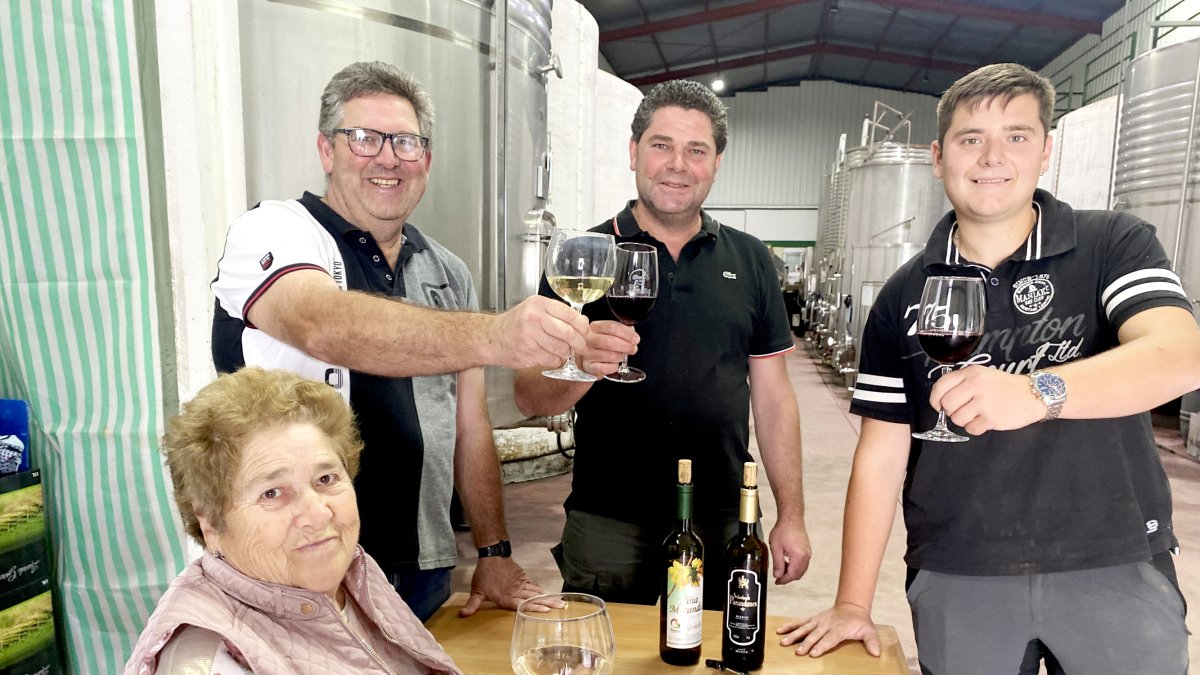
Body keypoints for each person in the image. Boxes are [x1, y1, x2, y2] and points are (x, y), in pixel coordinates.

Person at [779, 63, 1200, 674]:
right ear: (937, 155)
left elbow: (1180, 356)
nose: (992, 157)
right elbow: (882, 450)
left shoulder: (1112, 244)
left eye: (1017, 136)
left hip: (1112, 561)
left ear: (1046, 151)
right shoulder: (904, 292)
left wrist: (1038, 392)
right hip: (960, 571)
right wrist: (851, 601)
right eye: (971, 139)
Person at [210, 61, 574, 621]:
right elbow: (323, 326)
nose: (387, 157)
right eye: (363, 138)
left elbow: (470, 426)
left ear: (425, 161)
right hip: (296, 567)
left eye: (406, 142)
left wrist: (494, 550)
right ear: (327, 151)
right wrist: (496, 333)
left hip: (420, 569)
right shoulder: (274, 231)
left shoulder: (447, 272)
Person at [513, 79, 812, 611]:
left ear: (716, 162)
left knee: (721, 659)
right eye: (661, 145)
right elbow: (530, 397)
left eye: (696, 150)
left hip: (723, 516)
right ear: (634, 153)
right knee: (599, 660)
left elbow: (773, 399)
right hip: (608, 519)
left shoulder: (751, 260)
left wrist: (791, 514)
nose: (678, 164)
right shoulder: (583, 255)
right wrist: (581, 365)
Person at [125, 367, 462, 674]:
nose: (318, 513)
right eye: (272, 493)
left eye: (326, 479)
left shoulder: (355, 574)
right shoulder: (207, 658)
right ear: (210, 523)